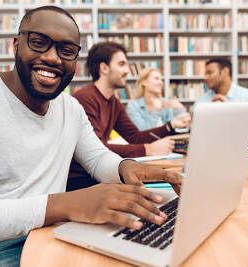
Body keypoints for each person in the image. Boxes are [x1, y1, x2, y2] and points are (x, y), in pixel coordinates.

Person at [0, 6, 183, 266]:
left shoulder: (70, 108)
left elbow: (98, 158)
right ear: (16, 45)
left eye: (66, 51)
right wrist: (63, 205)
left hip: (42, 235)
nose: (54, 58)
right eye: (39, 42)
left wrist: (125, 167)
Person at [67, 42, 189, 191]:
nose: (127, 71)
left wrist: (170, 125)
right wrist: (147, 149)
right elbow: (98, 149)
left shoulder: (113, 103)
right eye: (121, 64)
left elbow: (135, 136)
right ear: (104, 68)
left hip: (100, 176)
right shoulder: (85, 98)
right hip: (81, 181)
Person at [198, 57, 248, 124]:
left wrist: (230, 110)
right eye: (205, 74)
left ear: (225, 71)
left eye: (210, 73)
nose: (205, 77)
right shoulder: (201, 101)